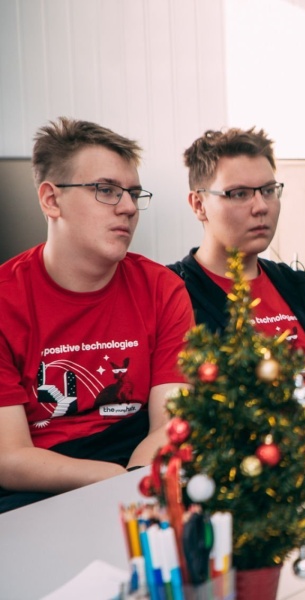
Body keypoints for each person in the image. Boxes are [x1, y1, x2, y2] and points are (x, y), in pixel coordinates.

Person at [0, 117, 194, 512]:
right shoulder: (7, 299)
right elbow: (10, 457)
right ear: (51, 199)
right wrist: (112, 482)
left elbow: (170, 426)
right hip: (39, 488)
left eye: (133, 193)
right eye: (106, 190)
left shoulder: (163, 288)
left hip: (141, 467)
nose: (128, 207)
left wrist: (134, 484)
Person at [168, 128, 305, 402]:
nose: (261, 206)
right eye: (239, 194)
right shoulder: (172, 296)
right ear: (199, 204)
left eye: (269, 191)